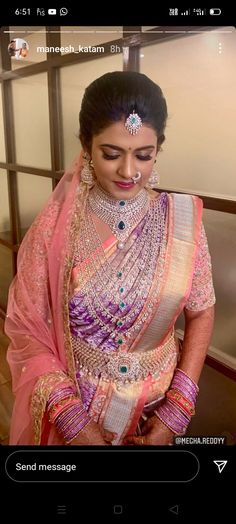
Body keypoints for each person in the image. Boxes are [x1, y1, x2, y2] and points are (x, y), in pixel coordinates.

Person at [5, 71, 215, 446]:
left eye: (144, 155)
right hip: (76, 408)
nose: (129, 172)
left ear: (158, 149)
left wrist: (177, 408)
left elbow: (201, 310)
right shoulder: (55, 228)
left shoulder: (181, 220)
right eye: (111, 154)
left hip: (160, 406)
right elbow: (27, 331)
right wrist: (73, 421)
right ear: (85, 146)